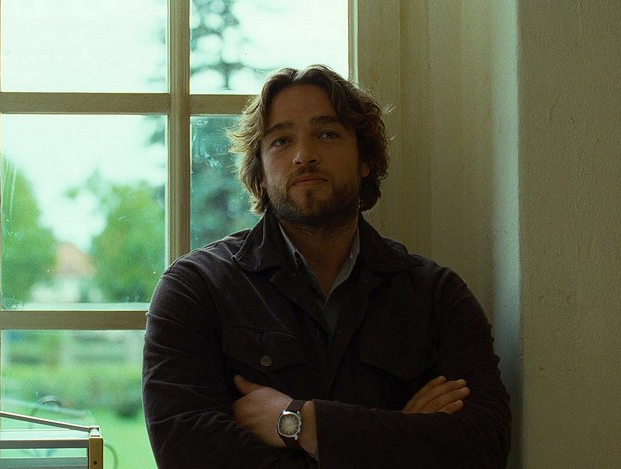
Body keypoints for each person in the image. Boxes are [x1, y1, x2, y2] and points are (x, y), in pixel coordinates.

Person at [142, 65, 511, 468]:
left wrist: (301, 423)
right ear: (260, 172)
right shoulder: (196, 288)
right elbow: (187, 453)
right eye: (281, 140)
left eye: (328, 134)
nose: (304, 156)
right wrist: (401, 434)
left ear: (365, 159)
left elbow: (485, 444)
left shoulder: (435, 294)